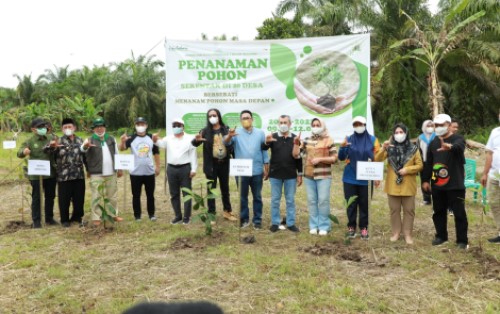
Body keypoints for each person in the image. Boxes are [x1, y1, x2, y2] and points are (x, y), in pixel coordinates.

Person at [422, 113, 469, 249]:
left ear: (448, 125)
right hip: (438, 184)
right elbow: (428, 163)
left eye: (441, 125)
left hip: (455, 184)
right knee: (438, 212)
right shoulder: (433, 142)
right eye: (436, 125)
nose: (438, 127)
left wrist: (450, 147)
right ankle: (441, 236)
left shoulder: (458, 139)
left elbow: (459, 147)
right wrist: (425, 180)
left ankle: (462, 240)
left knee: (459, 213)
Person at [375, 123, 423, 244]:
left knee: (409, 210)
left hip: (408, 184)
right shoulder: (389, 148)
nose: (399, 135)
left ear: (406, 134)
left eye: (401, 132)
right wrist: (383, 148)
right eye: (396, 133)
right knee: (394, 210)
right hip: (393, 185)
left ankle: (407, 234)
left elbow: (420, 165)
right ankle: (396, 232)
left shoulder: (413, 148)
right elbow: (377, 159)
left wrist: (408, 170)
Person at [224, 110, 269, 229]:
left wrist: (266, 167)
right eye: (243, 118)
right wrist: (229, 135)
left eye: (248, 117)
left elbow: (264, 150)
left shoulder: (260, 133)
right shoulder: (236, 133)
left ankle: (257, 220)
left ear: (252, 119)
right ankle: (244, 219)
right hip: (241, 171)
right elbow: (225, 143)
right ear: (240, 120)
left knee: (257, 197)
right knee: (242, 197)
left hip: (257, 170)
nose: (246, 120)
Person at [338, 116, 380, 240]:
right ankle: (351, 226)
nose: (358, 126)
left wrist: (377, 177)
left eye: (360, 124)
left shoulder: (373, 140)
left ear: (365, 125)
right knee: (351, 203)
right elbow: (341, 158)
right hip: (350, 177)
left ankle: (364, 227)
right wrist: (342, 147)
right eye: (355, 124)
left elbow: (376, 158)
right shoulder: (349, 139)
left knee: (364, 204)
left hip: (366, 179)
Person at [192, 109, 237, 222]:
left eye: (214, 115)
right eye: (210, 116)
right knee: (211, 190)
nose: (212, 117)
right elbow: (195, 143)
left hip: (224, 164)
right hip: (211, 165)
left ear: (218, 116)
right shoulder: (205, 131)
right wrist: (196, 140)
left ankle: (227, 211)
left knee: (225, 188)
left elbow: (231, 145)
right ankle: (211, 214)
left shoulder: (225, 129)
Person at [262, 115, 303, 233]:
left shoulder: (295, 138)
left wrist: (300, 174)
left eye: (285, 122)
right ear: (278, 124)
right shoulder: (273, 137)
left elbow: (299, 158)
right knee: (275, 199)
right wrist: (266, 142)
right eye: (281, 122)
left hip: (291, 175)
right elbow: (263, 148)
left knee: (290, 200)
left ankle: (290, 223)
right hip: (275, 174)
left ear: (290, 124)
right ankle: (275, 222)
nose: (283, 124)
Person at [153, 118, 197, 225]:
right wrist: (154, 139)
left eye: (178, 125)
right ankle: (178, 216)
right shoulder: (168, 139)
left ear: (183, 127)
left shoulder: (190, 138)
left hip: (185, 168)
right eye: (174, 125)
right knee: (174, 194)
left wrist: (194, 169)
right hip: (171, 169)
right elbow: (160, 144)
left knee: (186, 193)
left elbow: (193, 154)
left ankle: (187, 217)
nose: (176, 127)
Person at [81, 117, 123, 226]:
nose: (99, 129)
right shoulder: (89, 139)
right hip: (96, 172)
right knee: (96, 195)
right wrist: (85, 146)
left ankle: (113, 214)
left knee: (112, 195)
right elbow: (82, 149)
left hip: (111, 172)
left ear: (104, 127)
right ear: (93, 129)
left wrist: (120, 169)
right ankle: (96, 217)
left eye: (101, 126)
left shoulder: (111, 139)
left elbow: (117, 153)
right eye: (97, 127)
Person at [17, 118, 58, 228]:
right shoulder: (29, 141)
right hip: (36, 175)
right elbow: (19, 153)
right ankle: (36, 220)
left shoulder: (51, 138)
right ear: (33, 129)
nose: (43, 129)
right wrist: (24, 152)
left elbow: (57, 151)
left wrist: (55, 147)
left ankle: (49, 218)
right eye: (40, 127)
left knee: (50, 196)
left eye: (44, 127)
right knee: (37, 198)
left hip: (50, 173)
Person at [299, 118, 337, 235]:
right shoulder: (306, 140)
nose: (315, 126)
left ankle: (324, 226)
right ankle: (313, 225)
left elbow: (334, 158)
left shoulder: (329, 140)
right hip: (308, 175)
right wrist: (296, 144)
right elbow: (297, 155)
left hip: (323, 175)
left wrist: (320, 159)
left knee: (323, 201)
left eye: (318, 125)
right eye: (313, 125)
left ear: (323, 126)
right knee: (311, 201)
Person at [119, 117, 160, 222]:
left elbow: (156, 152)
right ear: (135, 126)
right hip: (135, 172)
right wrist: (122, 141)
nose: (140, 126)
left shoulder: (152, 137)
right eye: (138, 124)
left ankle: (152, 214)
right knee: (136, 195)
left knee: (150, 195)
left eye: (142, 124)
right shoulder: (131, 138)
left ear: (146, 125)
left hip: (149, 172)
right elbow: (122, 148)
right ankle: (137, 216)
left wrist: (158, 166)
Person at [47, 118, 86, 227]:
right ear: (62, 129)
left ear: (74, 128)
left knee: (79, 199)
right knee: (64, 199)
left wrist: (89, 169)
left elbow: (85, 156)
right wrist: (51, 146)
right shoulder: (58, 141)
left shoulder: (80, 140)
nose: (68, 129)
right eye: (65, 127)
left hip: (79, 175)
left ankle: (77, 217)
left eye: (70, 127)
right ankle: (64, 220)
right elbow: (48, 151)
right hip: (64, 176)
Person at [481, 115, 500, 243]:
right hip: (494, 174)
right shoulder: (495, 132)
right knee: (494, 203)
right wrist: (485, 173)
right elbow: (489, 153)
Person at [416, 120, 435, 205]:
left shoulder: (436, 136)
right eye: (428, 126)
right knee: (424, 180)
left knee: (435, 180)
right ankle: (426, 199)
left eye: (431, 125)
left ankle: (436, 198)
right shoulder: (420, 138)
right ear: (424, 127)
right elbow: (417, 150)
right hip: (424, 162)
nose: (430, 127)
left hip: (435, 162)